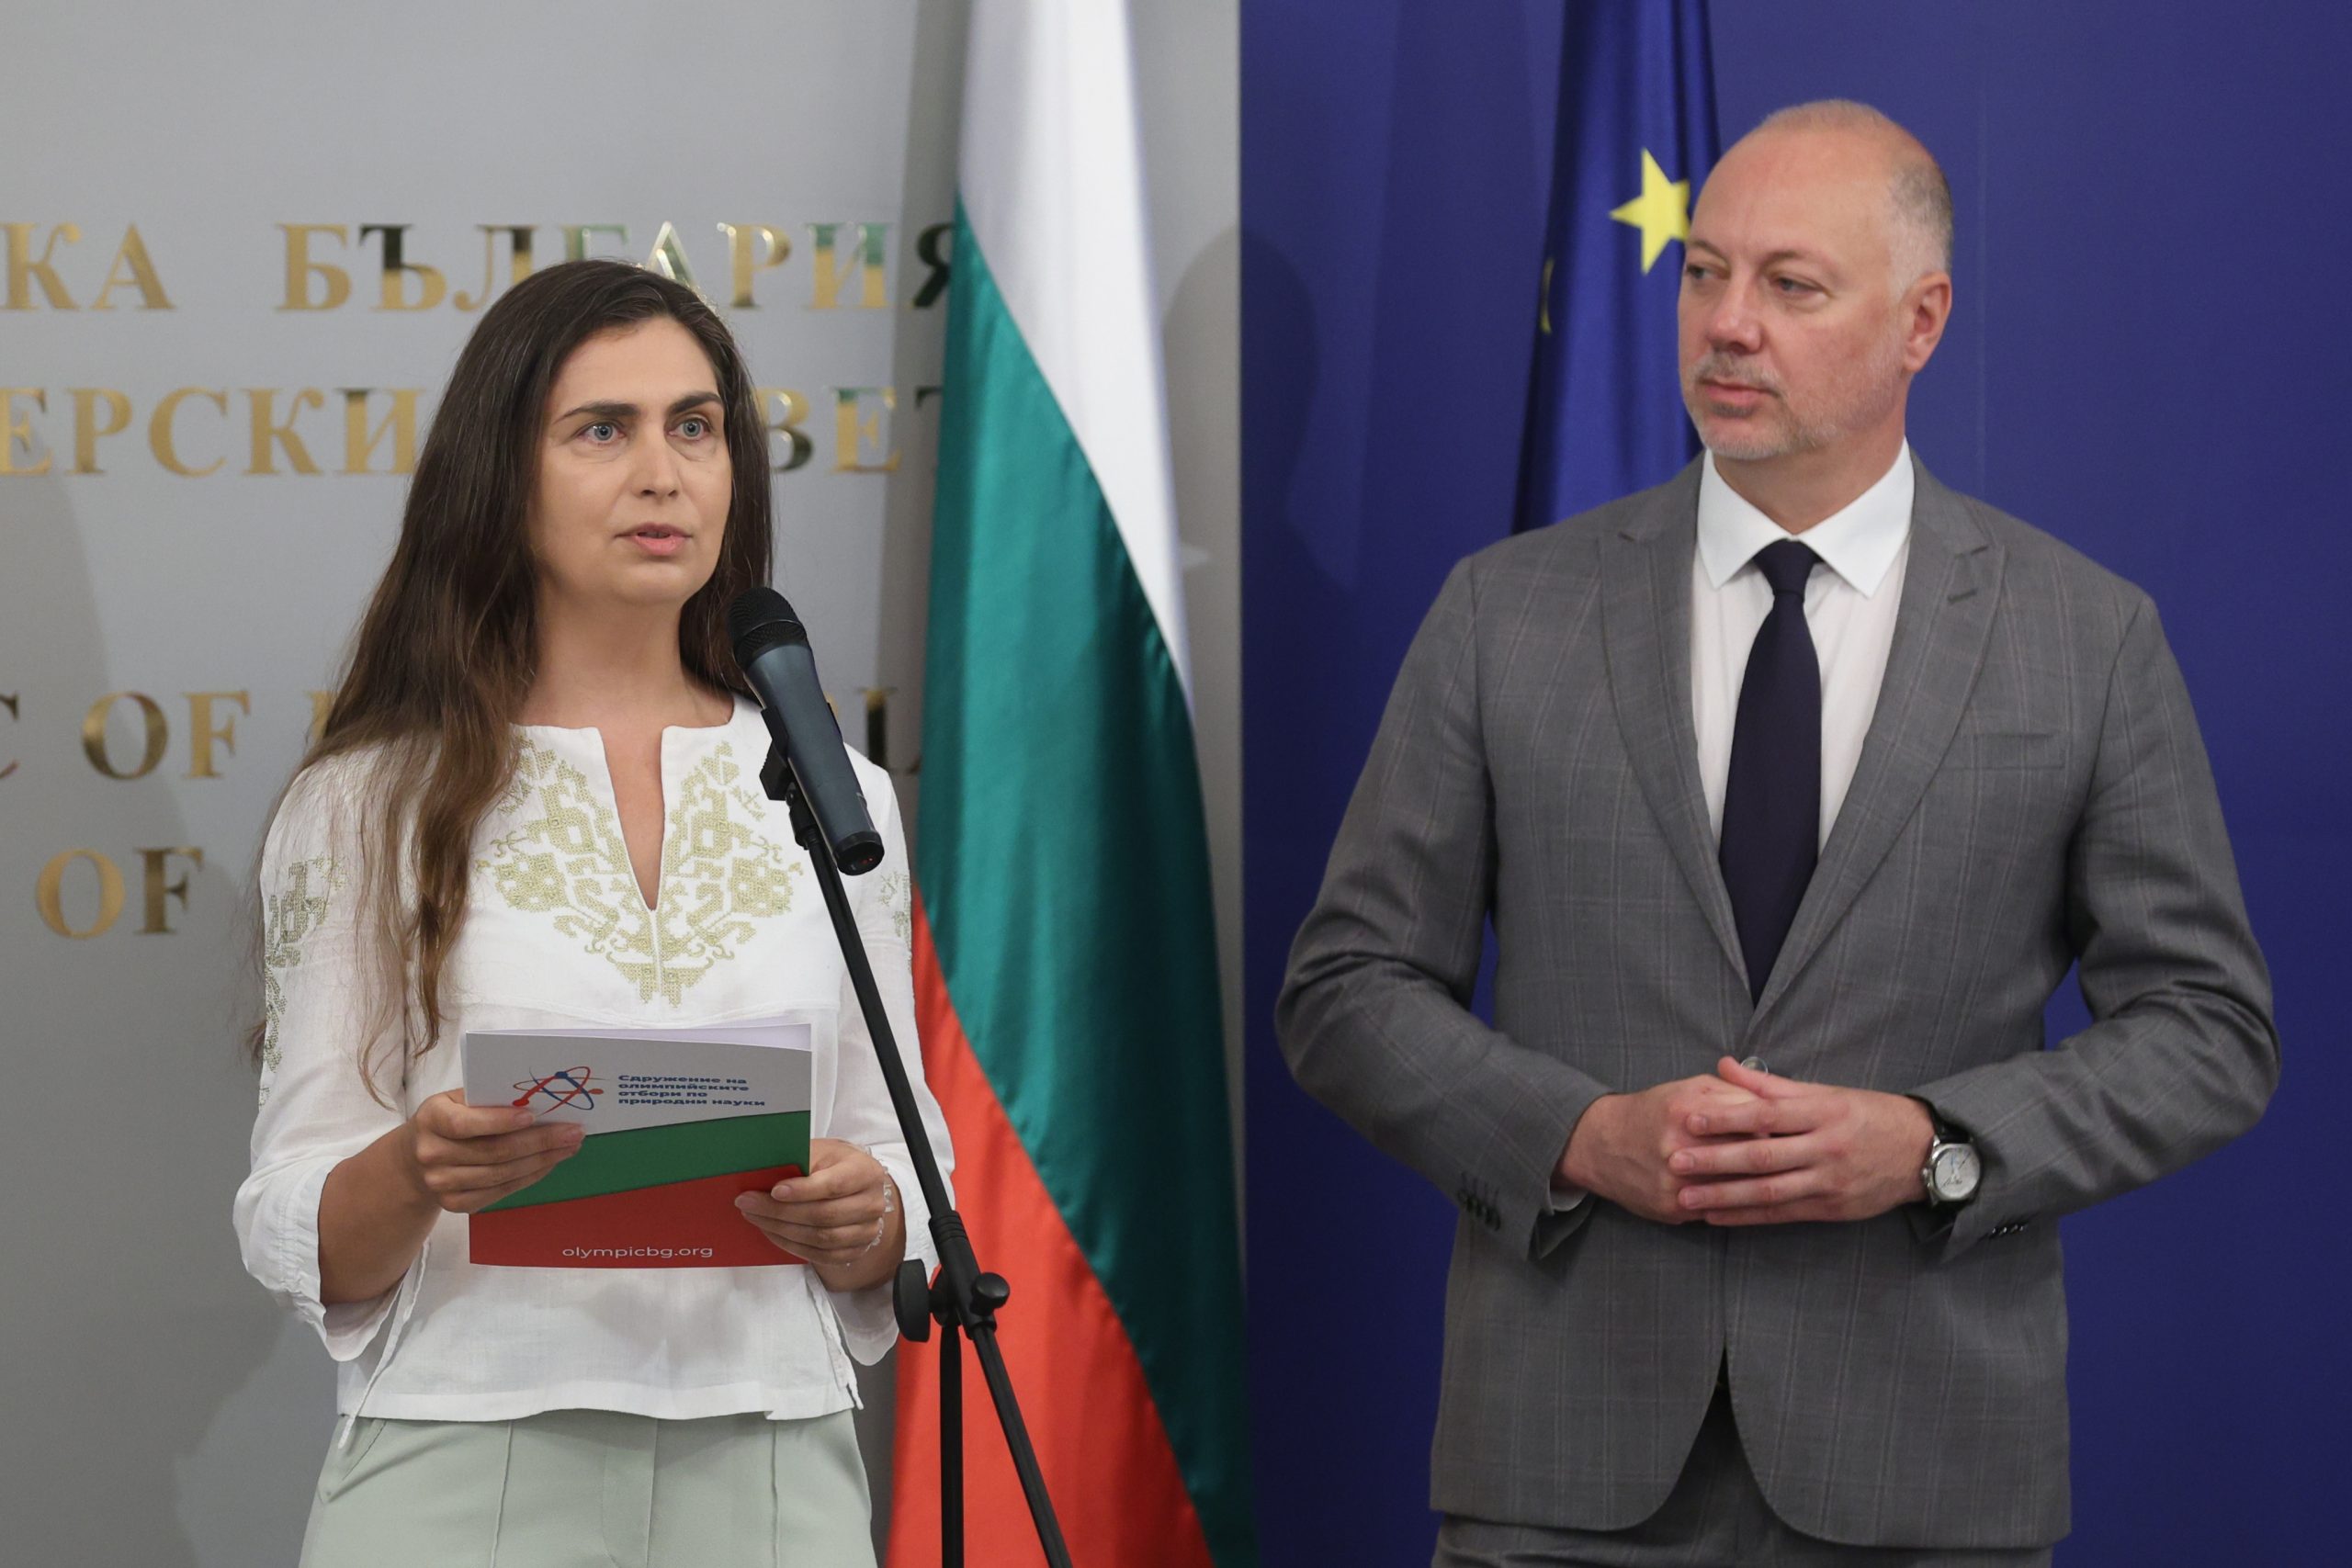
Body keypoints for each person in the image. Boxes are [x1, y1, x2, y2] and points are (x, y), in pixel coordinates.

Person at [1277, 100, 2277, 1566]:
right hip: (1561, 1469)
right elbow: (1345, 988)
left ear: (1921, 321)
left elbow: (2208, 1030)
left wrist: (1934, 1148)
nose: (1728, 324)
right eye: (1704, 273)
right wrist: (1580, 1139)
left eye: (1791, 285)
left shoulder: (2085, 639)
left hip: (1925, 1474)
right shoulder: (1505, 613)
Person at [233, 259, 950, 1567]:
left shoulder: (831, 788)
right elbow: (294, 1220)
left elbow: (906, 1160)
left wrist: (874, 1222)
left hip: (776, 1460)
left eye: (695, 427)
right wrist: (415, 1171)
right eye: (603, 431)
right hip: (466, 1456)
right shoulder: (369, 800)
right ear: (500, 477)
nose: (662, 475)